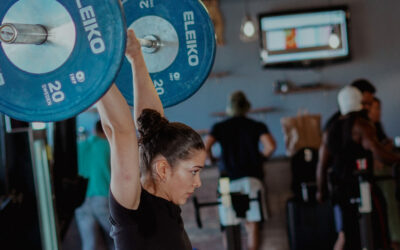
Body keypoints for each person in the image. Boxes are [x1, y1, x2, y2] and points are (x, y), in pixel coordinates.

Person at [96, 29, 205, 250]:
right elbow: (120, 131)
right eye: (194, 171)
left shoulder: (167, 203)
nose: (198, 182)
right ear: (164, 169)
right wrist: (94, 63)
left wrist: (136, 56)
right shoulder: (131, 212)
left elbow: (152, 124)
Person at [316, 86, 400, 250]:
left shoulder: (330, 130)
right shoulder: (362, 125)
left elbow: (322, 165)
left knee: (350, 234)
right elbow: (379, 153)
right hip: (363, 187)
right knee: (378, 231)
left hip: (341, 190)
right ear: (359, 102)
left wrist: (322, 191)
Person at [204, 91, 276, 250]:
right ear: (246, 107)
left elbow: (205, 147)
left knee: (229, 226)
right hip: (252, 180)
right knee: (252, 225)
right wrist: (260, 159)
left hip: (226, 182)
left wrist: (212, 159)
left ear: (229, 107)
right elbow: (270, 146)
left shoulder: (219, 127)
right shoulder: (257, 126)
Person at [316, 79, 376, 249]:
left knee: (356, 233)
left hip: (346, 187)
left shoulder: (337, 124)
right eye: (366, 102)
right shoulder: (353, 124)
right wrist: (321, 190)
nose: (368, 107)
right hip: (345, 188)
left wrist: (321, 191)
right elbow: (322, 162)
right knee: (346, 235)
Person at [75, 120, 113, 250]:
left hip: (81, 198)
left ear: (94, 130)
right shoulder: (108, 146)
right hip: (102, 195)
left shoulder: (79, 146)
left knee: (89, 244)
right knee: (118, 238)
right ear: (107, 131)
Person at [369, 97, 400, 250]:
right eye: (376, 108)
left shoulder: (377, 128)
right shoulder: (367, 129)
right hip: (380, 175)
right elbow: (377, 158)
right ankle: (394, 238)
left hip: (386, 171)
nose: (378, 112)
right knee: (389, 203)